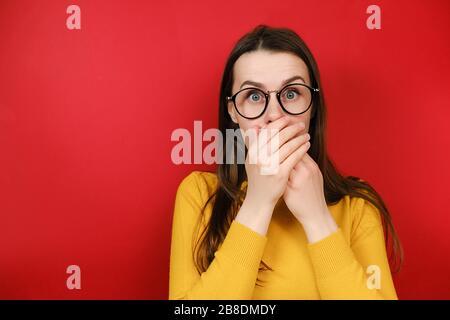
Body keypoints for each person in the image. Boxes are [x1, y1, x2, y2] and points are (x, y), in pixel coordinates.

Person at [169, 24, 402, 300]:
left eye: (291, 93)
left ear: (312, 106)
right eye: (254, 97)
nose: (275, 115)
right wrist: (258, 203)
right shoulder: (198, 194)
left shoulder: (357, 205)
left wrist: (317, 218)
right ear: (233, 111)